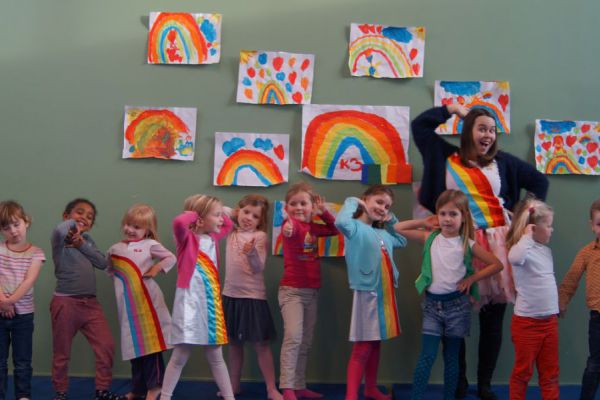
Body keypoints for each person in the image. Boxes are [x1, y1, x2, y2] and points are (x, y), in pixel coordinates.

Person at [411, 104, 549, 399]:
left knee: (492, 320)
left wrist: (522, 215)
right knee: (454, 316)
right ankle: (457, 382)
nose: (488, 134)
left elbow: (540, 182)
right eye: (482, 127)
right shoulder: (445, 156)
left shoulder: (503, 163)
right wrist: (453, 109)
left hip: (497, 243)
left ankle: (484, 383)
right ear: (469, 130)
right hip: (457, 243)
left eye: (492, 130)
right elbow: (420, 127)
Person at [394, 190, 502, 400]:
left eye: (453, 214)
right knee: (427, 356)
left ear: (463, 217)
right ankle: (416, 396)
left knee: (452, 358)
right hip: (432, 307)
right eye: (442, 213)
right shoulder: (429, 237)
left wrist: (472, 279)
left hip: (458, 307)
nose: (447, 219)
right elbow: (397, 227)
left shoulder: (467, 244)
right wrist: (424, 222)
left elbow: (497, 264)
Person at [334, 185, 406, 400]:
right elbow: (340, 221)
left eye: (387, 206)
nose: (383, 208)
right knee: (363, 345)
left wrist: (391, 218)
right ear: (366, 200)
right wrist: (354, 201)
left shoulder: (383, 232)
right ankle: (351, 396)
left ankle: (371, 388)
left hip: (385, 295)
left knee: (375, 342)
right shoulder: (354, 227)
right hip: (368, 294)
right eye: (379, 202)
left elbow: (401, 239)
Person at [160, 195, 234, 400]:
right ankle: (165, 396)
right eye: (217, 215)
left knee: (216, 356)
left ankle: (230, 397)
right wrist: (196, 214)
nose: (221, 219)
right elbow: (178, 222)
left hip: (211, 304)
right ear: (200, 219)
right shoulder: (187, 239)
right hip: (189, 304)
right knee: (180, 355)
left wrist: (222, 212)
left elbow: (227, 225)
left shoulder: (213, 238)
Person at [50, 198, 124, 400]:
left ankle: (102, 390)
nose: (84, 217)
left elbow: (102, 263)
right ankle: (60, 392)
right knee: (62, 351)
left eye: (89, 217)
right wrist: (74, 227)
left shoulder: (88, 240)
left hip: (90, 304)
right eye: (79, 212)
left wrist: (81, 243)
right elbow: (60, 229)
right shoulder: (60, 240)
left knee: (106, 345)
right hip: (65, 303)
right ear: (66, 216)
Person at [106, 204, 176, 400]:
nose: (130, 229)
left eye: (137, 227)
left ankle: (155, 387)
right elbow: (109, 269)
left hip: (147, 304)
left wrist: (156, 269)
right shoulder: (115, 248)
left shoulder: (149, 244)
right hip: (128, 307)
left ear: (148, 230)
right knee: (134, 349)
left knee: (150, 347)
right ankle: (138, 388)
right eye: (128, 224)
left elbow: (171, 258)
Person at [278, 182, 338, 400]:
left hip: (311, 292)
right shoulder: (290, 225)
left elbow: (335, 229)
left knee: (305, 340)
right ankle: (287, 389)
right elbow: (289, 228)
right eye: (293, 204)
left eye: (304, 203)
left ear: (312, 207)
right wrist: (289, 222)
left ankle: (299, 385)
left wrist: (325, 213)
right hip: (291, 291)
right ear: (287, 208)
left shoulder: (313, 228)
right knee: (293, 337)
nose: (299, 207)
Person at [222, 195, 281, 400]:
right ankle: (234, 385)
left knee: (261, 344)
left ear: (260, 221)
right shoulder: (230, 231)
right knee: (234, 344)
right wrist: (236, 213)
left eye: (255, 216)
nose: (249, 217)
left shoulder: (260, 236)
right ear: (238, 211)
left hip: (253, 297)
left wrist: (251, 253)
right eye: (246, 212)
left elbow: (259, 267)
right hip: (231, 295)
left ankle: (271, 388)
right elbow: (219, 209)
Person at [506, 198, 558, 400]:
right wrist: (526, 237)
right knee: (522, 373)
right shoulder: (521, 250)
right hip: (527, 324)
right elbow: (514, 258)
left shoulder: (546, 251)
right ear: (533, 228)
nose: (552, 230)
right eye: (549, 226)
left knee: (550, 373)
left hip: (549, 323)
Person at [0, 201, 44, 400]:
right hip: (0, 311)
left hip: (23, 316)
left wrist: (10, 302)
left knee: (22, 360)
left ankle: (23, 395)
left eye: (16, 224)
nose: (13, 231)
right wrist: (2, 301)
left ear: (26, 222)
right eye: (6, 227)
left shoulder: (36, 253)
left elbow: (29, 280)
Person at [558, 197, 600, 400]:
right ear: (592, 226)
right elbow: (570, 280)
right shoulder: (586, 253)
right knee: (595, 363)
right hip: (598, 318)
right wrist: (562, 300)